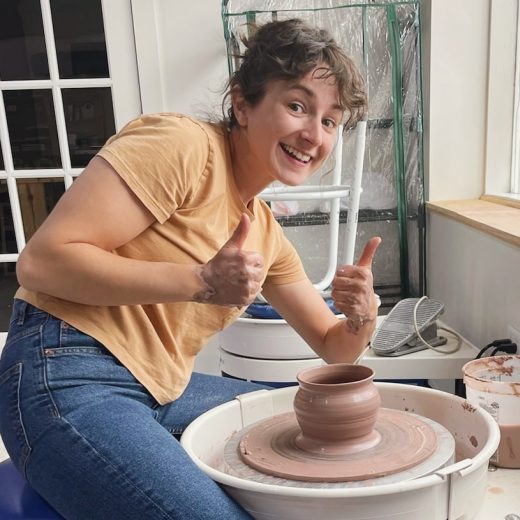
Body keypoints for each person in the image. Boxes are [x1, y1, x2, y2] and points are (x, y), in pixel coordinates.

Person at [0, 18, 380, 520]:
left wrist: (362, 315)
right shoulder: (184, 146)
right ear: (243, 104)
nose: (314, 134)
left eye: (330, 121)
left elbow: (333, 347)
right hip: (65, 369)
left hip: (159, 388)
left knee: (309, 421)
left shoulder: (265, 232)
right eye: (297, 105)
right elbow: (43, 262)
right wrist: (201, 281)